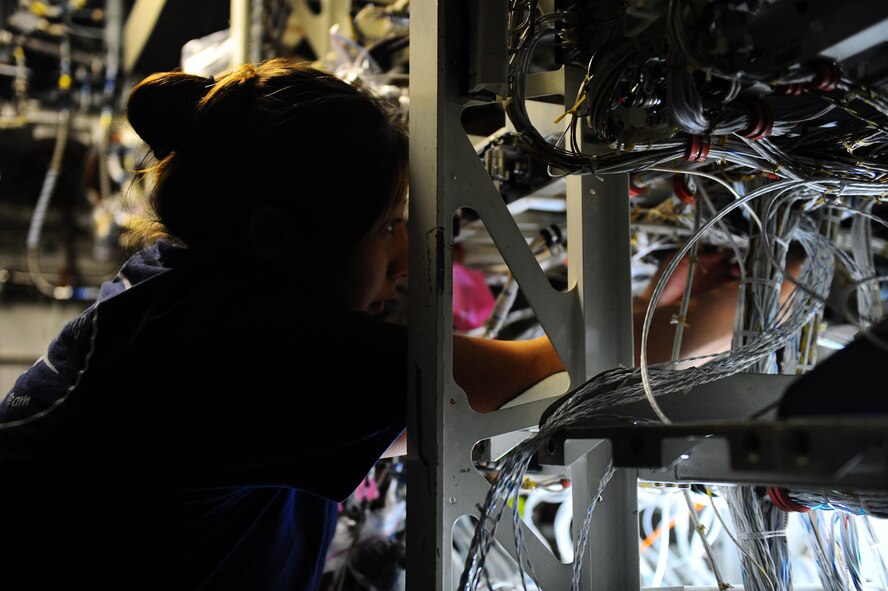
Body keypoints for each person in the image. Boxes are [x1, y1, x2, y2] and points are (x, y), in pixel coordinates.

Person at [0, 58, 744, 590]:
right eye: (388, 225)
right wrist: (713, 313)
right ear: (276, 239)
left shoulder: (169, 299)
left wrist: (668, 307)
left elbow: (400, 417)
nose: (403, 258)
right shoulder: (248, 342)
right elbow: (522, 381)